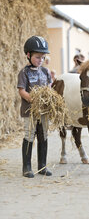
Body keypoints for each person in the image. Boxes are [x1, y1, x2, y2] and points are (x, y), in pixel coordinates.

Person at [17, 36, 52, 178]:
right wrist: (33, 99)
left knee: (43, 135)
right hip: (29, 111)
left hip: (43, 111)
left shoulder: (45, 72)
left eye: (43, 57)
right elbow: (21, 90)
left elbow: (49, 87)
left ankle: (42, 166)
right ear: (28, 55)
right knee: (29, 135)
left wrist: (49, 96)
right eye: (38, 57)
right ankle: (27, 167)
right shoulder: (24, 73)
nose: (41, 60)